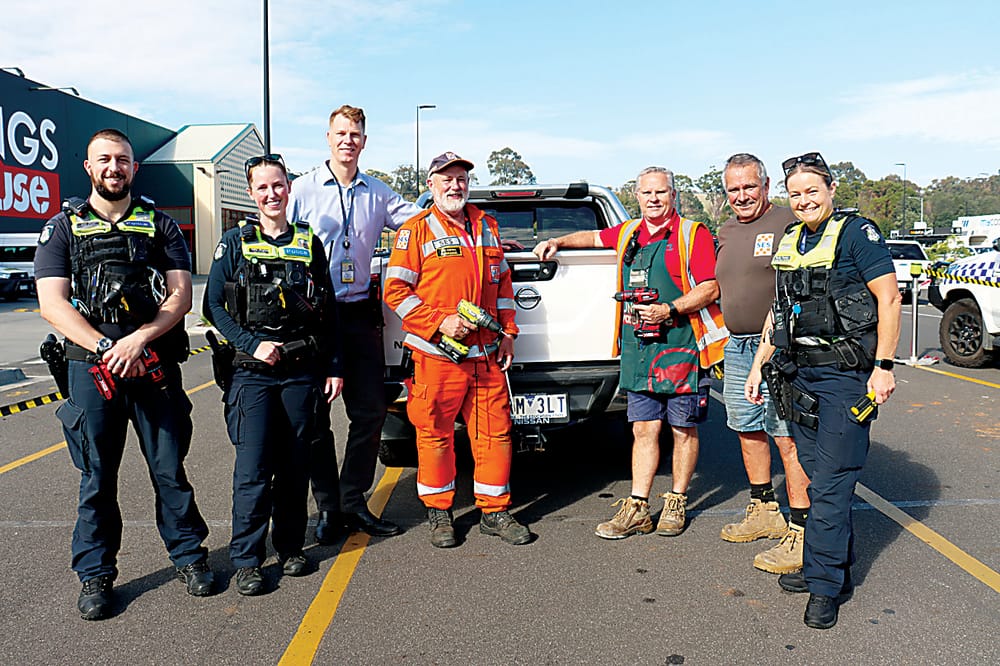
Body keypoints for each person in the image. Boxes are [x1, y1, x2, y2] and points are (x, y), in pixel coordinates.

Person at [34, 128, 212, 620]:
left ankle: (190, 557)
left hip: (153, 364)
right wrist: (107, 346)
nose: (114, 168)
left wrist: (139, 339)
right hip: (93, 370)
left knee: (170, 471)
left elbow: (180, 295)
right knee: (96, 478)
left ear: (135, 168)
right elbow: (52, 303)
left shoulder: (160, 225)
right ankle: (95, 573)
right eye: (104, 160)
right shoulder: (63, 228)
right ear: (89, 168)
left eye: (123, 160)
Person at [746, 151, 901, 629]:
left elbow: (889, 298)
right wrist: (759, 365)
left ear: (832, 190)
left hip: (846, 378)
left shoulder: (857, 234)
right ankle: (834, 567)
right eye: (795, 194)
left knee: (832, 483)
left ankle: (824, 585)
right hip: (798, 375)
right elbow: (780, 310)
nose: (804, 200)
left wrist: (884, 368)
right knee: (817, 477)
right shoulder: (792, 240)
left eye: (812, 191)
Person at [533, 166, 725, 540]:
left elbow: (711, 287)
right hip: (639, 349)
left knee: (683, 429)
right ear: (636, 196)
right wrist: (558, 241)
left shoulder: (692, 234)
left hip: (680, 346)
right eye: (646, 193)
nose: (653, 199)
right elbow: (592, 237)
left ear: (673, 194)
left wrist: (670, 310)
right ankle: (638, 506)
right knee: (642, 428)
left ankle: (676, 501)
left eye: (661, 192)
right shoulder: (628, 234)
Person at [204, 154, 341, 595]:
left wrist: (333, 366)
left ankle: (289, 546)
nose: (272, 194)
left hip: (301, 371)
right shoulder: (234, 242)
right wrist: (251, 344)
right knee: (253, 468)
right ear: (252, 193)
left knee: (296, 463)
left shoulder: (308, 241)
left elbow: (328, 311)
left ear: (289, 187)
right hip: (253, 374)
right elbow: (213, 307)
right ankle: (247, 559)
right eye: (262, 187)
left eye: (278, 185)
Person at [383, 152, 530, 548]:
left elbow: (501, 287)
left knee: (495, 434)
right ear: (430, 185)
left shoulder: (487, 226)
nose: (455, 185)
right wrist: (439, 322)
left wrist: (509, 332)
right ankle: (439, 513)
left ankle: (494, 511)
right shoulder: (415, 231)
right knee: (434, 434)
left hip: (485, 356)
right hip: (436, 356)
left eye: (461, 178)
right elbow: (395, 291)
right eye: (445, 179)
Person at [288, 104, 420, 541]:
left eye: (356, 133)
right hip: (314, 318)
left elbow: (423, 222)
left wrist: (480, 228)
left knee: (369, 413)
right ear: (328, 137)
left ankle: (352, 500)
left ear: (365, 141)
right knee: (316, 418)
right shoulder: (302, 190)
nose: (348, 140)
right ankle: (327, 508)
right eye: (341, 133)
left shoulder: (378, 193)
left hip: (361, 312)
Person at [716, 153, 811, 574]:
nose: (741, 196)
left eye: (749, 187)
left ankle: (802, 529)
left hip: (778, 346)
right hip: (736, 345)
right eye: (733, 189)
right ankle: (764, 509)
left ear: (766, 185)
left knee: (785, 436)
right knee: (746, 427)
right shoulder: (726, 230)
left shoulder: (788, 222)